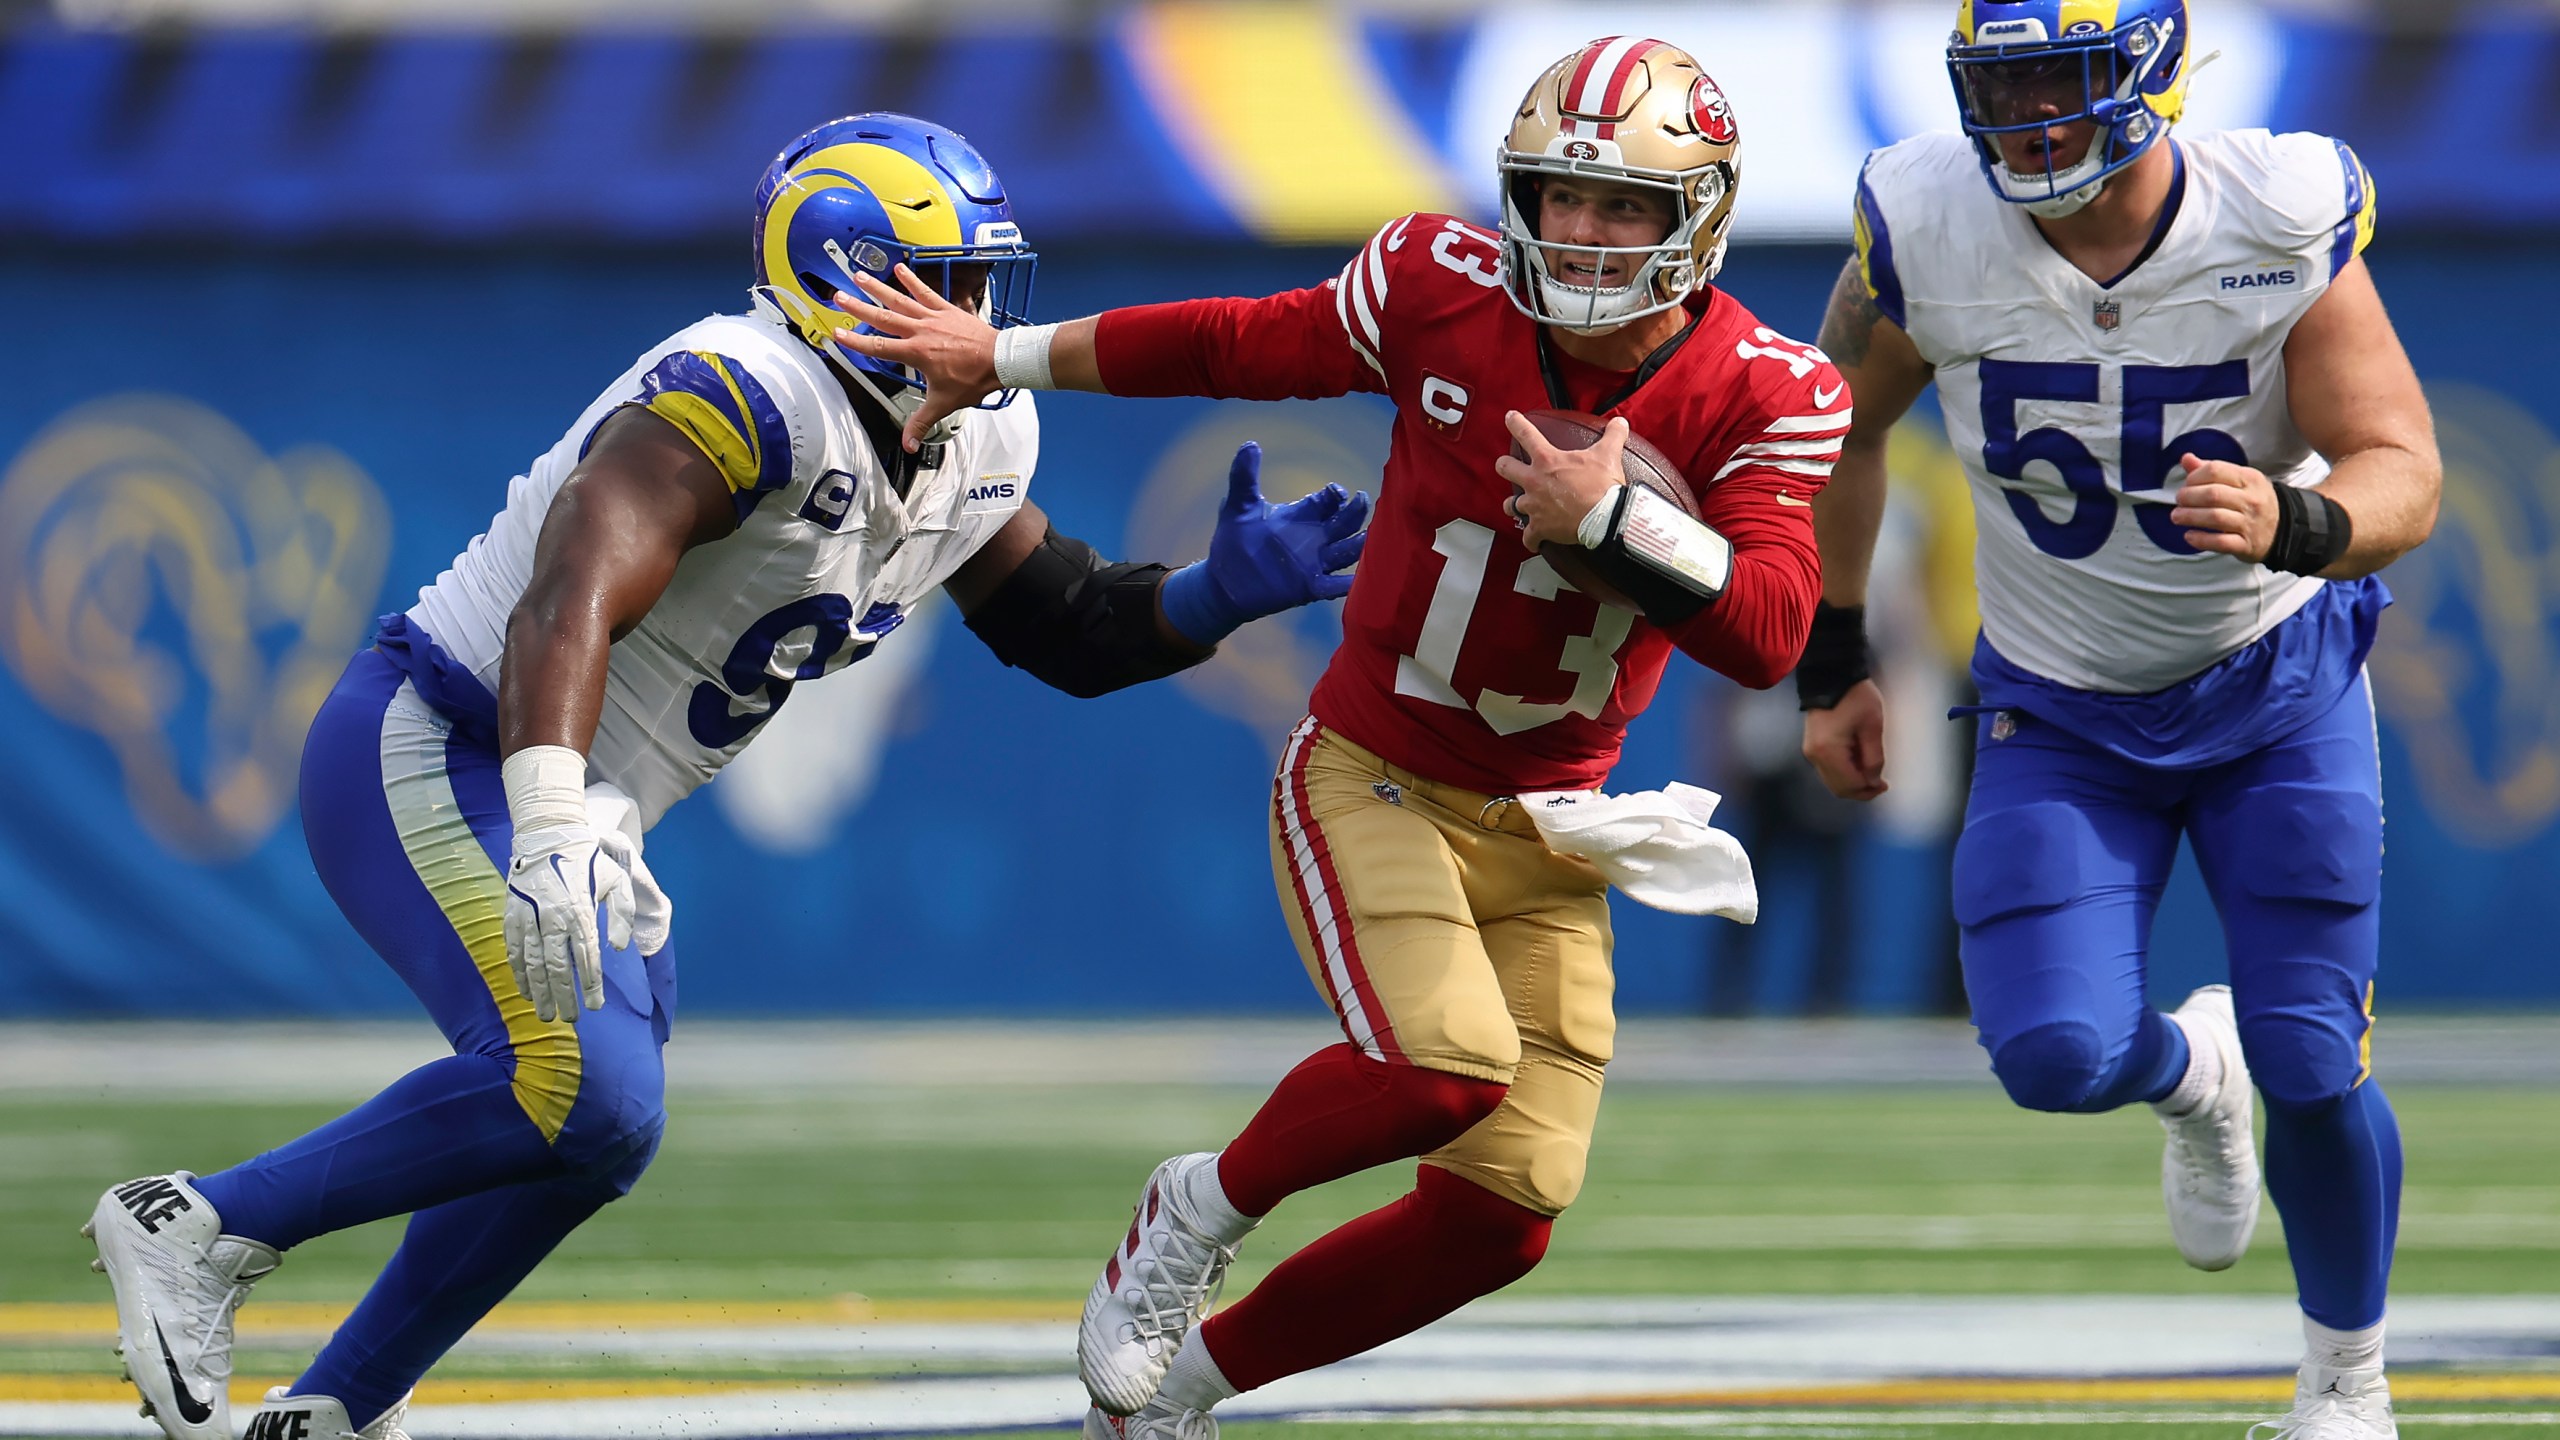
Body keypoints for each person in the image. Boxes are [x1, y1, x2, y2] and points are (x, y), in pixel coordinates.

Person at [82, 113, 1368, 1440]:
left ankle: (341, 1404)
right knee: (579, 1087)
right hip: (445, 741)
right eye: (954, 280)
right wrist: (544, 811)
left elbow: (1071, 625)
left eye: (990, 282)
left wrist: (1220, 596)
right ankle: (203, 1223)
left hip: (579, 789)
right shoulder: (751, 387)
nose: (987, 316)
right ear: (847, 277)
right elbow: (568, 588)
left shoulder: (977, 443)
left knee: (601, 1134)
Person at [834, 37, 1838, 1439]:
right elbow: (1242, 337)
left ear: (1702, 219)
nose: (1586, 234)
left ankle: (1174, 1396)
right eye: (1561, 197)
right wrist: (997, 353)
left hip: (1552, 829)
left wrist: (1620, 522)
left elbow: (1776, 629)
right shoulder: (1440, 285)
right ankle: (1198, 1205)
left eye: (1626, 208)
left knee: (1507, 1215)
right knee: (1440, 1067)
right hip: (1380, 775)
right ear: (1518, 196)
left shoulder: (1774, 387)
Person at [1795, 2, 2438, 1434]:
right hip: (2062, 705)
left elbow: (2405, 464)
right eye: (2000, 83)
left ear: (2153, 68)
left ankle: (2349, 1385)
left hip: (2276, 684)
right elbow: (1837, 430)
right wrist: (1833, 653)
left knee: (2315, 1055)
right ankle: (2185, 1070)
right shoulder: (1923, 221)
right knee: (2053, 1055)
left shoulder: (2271, 210)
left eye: (2062, 79)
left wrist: (2302, 514)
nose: (2027, 117)